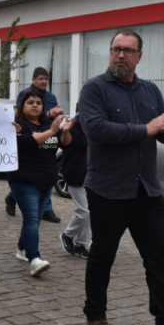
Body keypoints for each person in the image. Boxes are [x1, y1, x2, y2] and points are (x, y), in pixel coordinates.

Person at [78, 30, 164, 325]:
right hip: (109, 192)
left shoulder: (151, 91)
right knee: (102, 257)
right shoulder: (94, 89)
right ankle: (95, 315)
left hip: (147, 192)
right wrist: (147, 129)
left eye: (127, 50)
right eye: (115, 49)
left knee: (159, 259)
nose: (120, 55)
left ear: (139, 56)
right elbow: (96, 129)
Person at [10, 89, 73, 276]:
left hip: (46, 180)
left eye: (38, 102)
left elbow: (65, 144)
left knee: (35, 220)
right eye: (30, 102)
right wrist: (53, 130)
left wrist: (65, 132)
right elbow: (28, 142)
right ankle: (34, 258)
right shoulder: (18, 125)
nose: (35, 105)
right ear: (23, 106)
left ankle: (22, 249)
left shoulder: (47, 123)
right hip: (24, 181)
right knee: (30, 219)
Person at [5, 66, 63, 223]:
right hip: (32, 143)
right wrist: (48, 115)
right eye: (41, 79)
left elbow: (52, 120)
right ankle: (42, 207)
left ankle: (17, 198)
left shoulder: (51, 97)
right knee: (31, 218)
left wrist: (57, 118)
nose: (44, 81)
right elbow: (23, 115)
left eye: (46, 79)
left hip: (47, 143)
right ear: (33, 79)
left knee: (45, 173)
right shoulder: (24, 95)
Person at [59, 105, 90, 258]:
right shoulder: (72, 128)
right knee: (83, 211)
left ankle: (82, 244)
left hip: (91, 176)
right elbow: (84, 144)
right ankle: (67, 234)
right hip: (76, 175)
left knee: (89, 213)